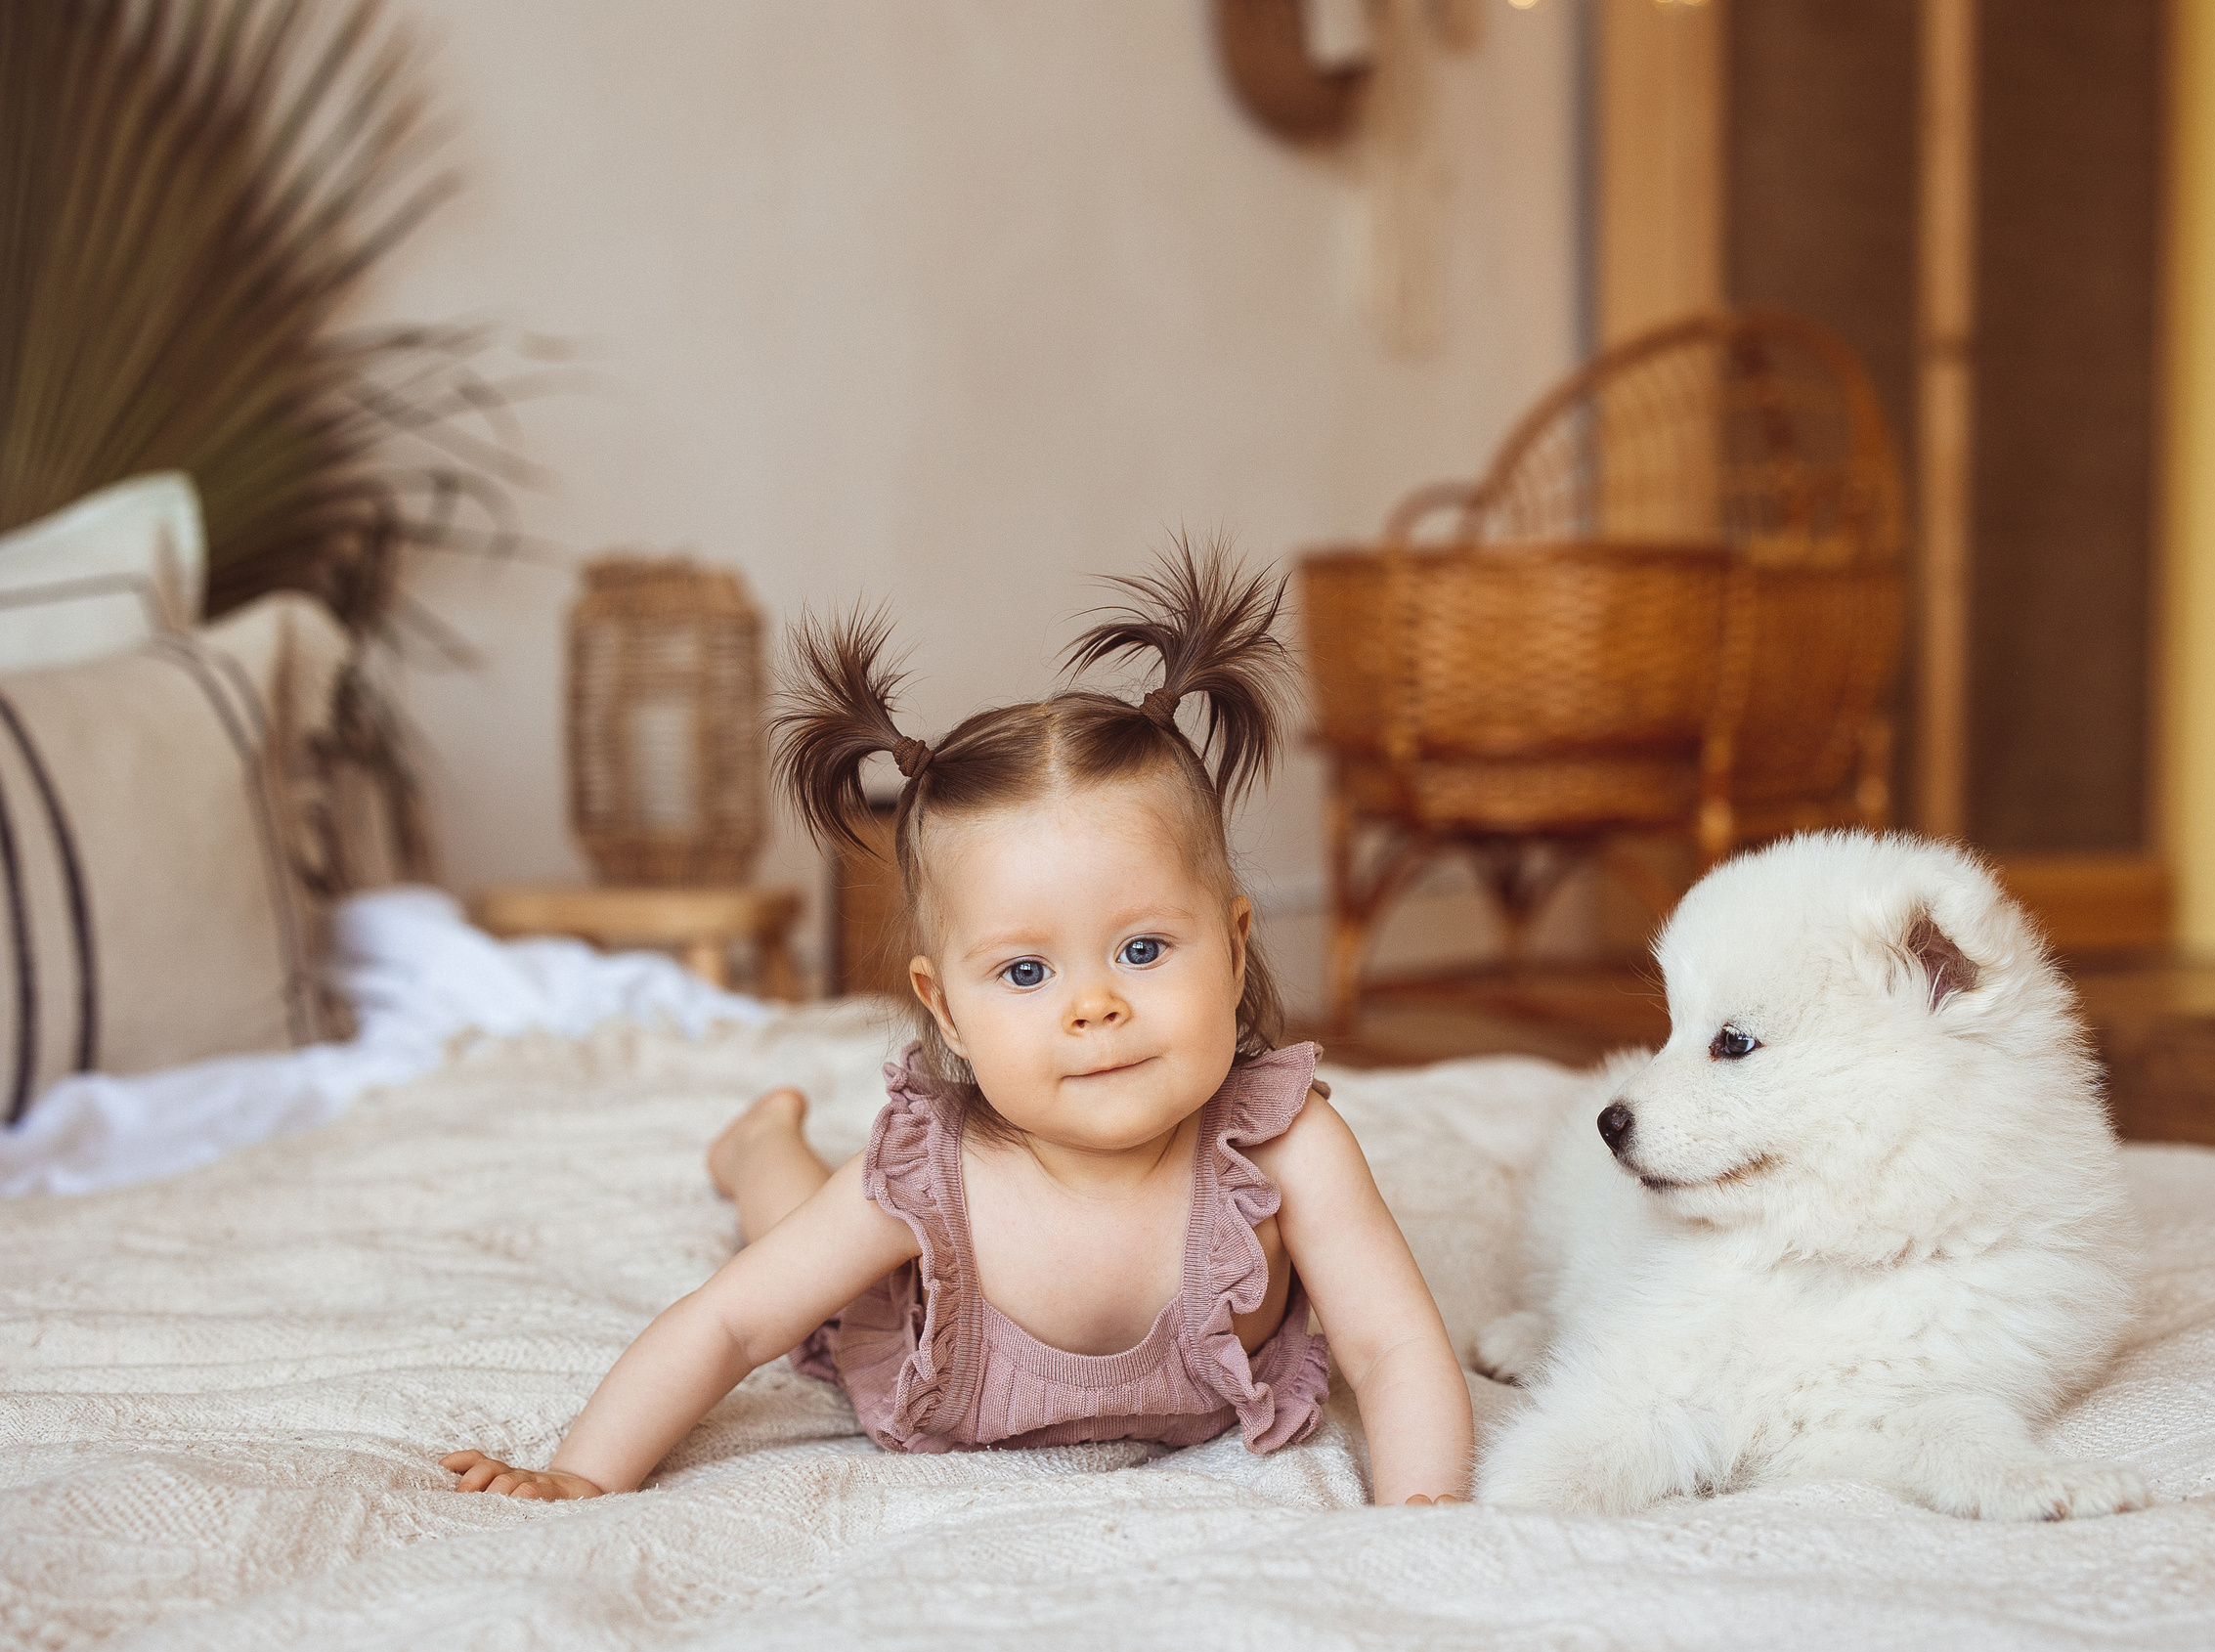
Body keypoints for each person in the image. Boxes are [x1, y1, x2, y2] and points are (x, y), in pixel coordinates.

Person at [441, 547, 1473, 1505]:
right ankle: (762, 1145)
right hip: (937, 1329)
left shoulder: (1290, 1145)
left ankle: (775, 1137)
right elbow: (730, 1321)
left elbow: (1391, 1348)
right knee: (814, 1265)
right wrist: (580, 1476)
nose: (1093, 1005)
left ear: (1236, 946)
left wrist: (1424, 1527)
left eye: (1145, 950)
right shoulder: (928, 1172)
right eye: (1025, 970)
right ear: (945, 1010)